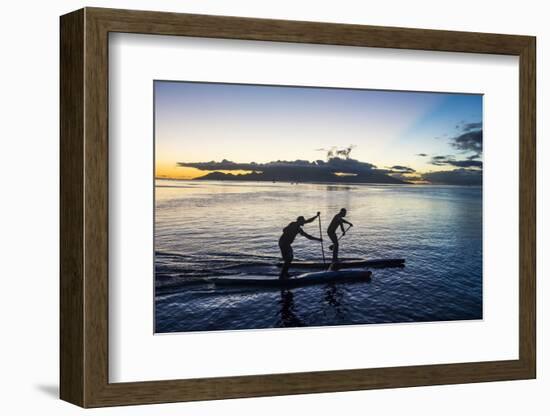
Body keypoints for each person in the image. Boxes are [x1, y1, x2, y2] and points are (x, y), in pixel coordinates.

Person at [279, 212, 322, 279]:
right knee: (289, 258)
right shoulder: (293, 224)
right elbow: (284, 230)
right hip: (283, 243)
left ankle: (285, 273)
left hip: (285, 243)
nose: (304, 223)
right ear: (299, 221)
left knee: (289, 259)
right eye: (302, 221)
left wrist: (316, 216)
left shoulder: (299, 229)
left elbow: (308, 235)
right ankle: (282, 276)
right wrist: (289, 231)